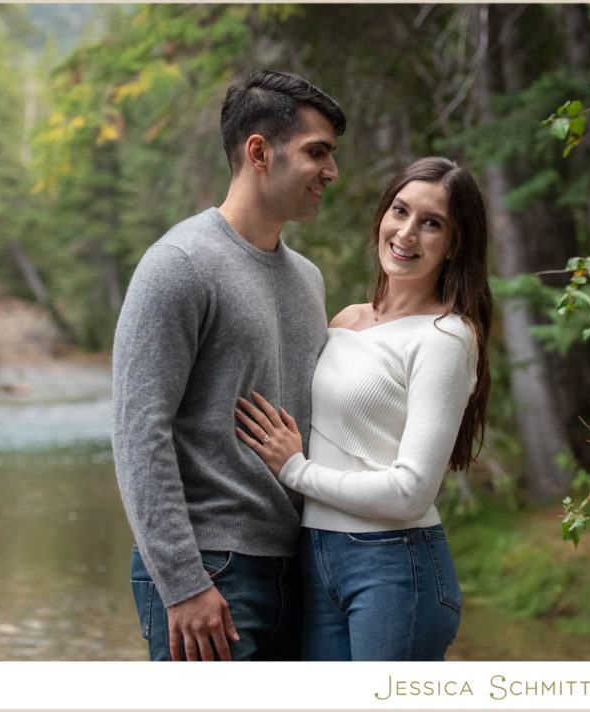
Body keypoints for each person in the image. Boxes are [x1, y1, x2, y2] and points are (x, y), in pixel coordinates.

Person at [111, 69, 346, 661]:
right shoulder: (179, 264)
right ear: (259, 152)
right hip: (211, 570)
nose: (332, 172)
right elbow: (139, 432)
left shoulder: (308, 280)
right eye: (317, 152)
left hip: (299, 570)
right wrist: (182, 582)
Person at [235, 156, 492, 661]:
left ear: (454, 244)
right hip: (316, 556)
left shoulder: (446, 337)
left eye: (432, 223)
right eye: (400, 211)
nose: (407, 233)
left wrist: (296, 471)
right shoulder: (347, 319)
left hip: (394, 565)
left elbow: (411, 492)